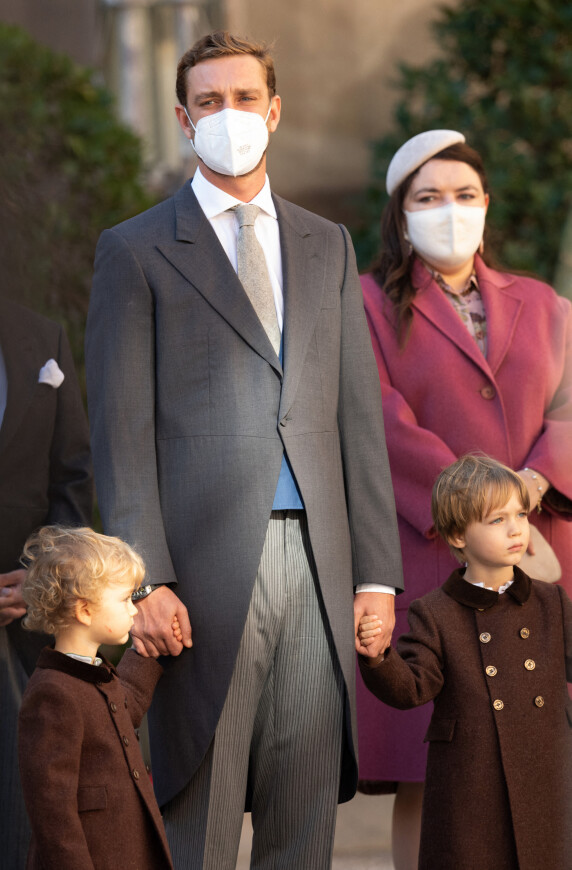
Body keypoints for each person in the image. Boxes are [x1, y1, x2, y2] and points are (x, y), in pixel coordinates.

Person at [85, 29, 403, 870]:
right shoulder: (135, 248)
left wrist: (375, 575)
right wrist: (144, 576)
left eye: (245, 99)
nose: (231, 115)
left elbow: (356, 419)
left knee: (303, 823)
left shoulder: (326, 242)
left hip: (322, 565)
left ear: (275, 110)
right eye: (210, 103)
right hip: (199, 574)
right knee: (198, 818)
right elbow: (119, 431)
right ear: (186, 123)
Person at [356, 129, 572, 869]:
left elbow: (569, 411)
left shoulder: (544, 304)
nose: (449, 210)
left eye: (464, 195)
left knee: (546, 762)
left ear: (488, 205)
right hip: (436, 561)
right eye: (428, 198)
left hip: (542, 557)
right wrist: (476, 502)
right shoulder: (365, 306)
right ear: (399, 213)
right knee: (438, 769)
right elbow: (378, 421)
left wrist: (533, 485)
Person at [358, 455, 572, 870]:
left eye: (521, 514)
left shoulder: (551, 602)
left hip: (548, 773)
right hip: (472, 784)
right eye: (497, 520)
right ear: (458, 535)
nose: (516, 529)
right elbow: (412, 688)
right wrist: (379, 656)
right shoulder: (435, 613)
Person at [0, 194, 94, 869]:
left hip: (20, 639)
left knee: (20, 828)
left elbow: (75, 480)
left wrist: (39, 581)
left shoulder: (41, 337)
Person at [18, 525, 178, 870]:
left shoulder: (92, 672)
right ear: (85, 610)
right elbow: (52, 811)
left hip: (124, 853)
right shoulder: (52, 693)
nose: (134, 610)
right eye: (124, 600)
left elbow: (123, 708)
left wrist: (145, 653)